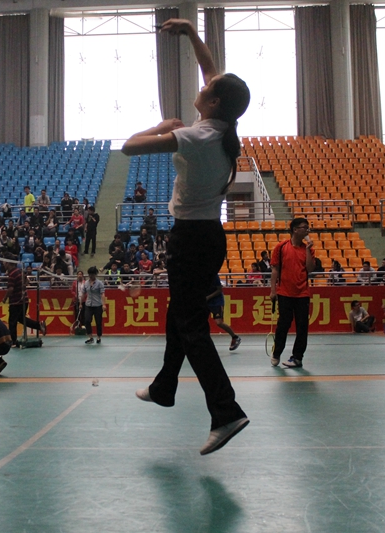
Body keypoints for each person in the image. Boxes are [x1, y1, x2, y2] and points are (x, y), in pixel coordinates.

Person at [123, 17, 250, 456]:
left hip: (191, 239)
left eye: (208, 87)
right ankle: (164, 386)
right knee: (180, 312)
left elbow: (129, 146)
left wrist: (161, 126)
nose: (204, 83)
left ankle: (226, 411)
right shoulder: (223, 128)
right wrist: (192, 33)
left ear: (213, 101)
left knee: (192, 326)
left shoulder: (195, 136)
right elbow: (210, 67)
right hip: (209, 235)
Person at [270, 217, 317, 369]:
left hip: (302, 293)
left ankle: (297, 357)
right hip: (284, 293)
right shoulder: (281, 247)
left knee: (302, 327)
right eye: (304, 227)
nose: (307, 230)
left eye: (308, 228)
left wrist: (308, 249)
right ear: (295, 230)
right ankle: (277, 353)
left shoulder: (308, 249)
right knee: (283, 325)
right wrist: (273, 290)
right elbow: (275, 269)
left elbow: (310, 269)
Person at [1, 253, 46, 344]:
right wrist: (23, 287)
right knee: (21, 319)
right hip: (24, 300)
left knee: (12, 321)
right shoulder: (19, 271)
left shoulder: (12, 274)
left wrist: (4, 298)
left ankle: (13, 341)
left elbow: (10, 289)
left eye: (4, 262)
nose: (3, 264)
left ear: (8, 263)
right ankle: (39, 325)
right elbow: (26, 280)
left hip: (16, 302)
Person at [206, 274, 242, 350]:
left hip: (216, 302)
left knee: (219, 322)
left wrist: (208, 297)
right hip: (205, 302)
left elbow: (219, 290)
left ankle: (235, 337)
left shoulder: (214, 275)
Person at [82, 266, 105, 344]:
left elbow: (102, 294)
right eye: (90, 274)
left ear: (95, 274)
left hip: (97, 305)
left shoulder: (99, 283)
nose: (91, 276)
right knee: (87, 321)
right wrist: (81, 303)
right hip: (88, 304)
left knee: (98, 322)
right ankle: (90, 337)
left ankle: (98, 337)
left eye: (92, 274)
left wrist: (104, 304)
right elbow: (83, 293)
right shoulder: (86, 283)